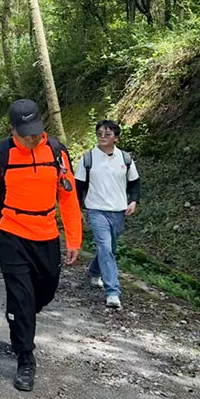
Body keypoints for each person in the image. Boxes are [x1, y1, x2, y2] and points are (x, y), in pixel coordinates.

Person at [0, 99, 81, 392]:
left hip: (46, 233)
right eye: (26, 133)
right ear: (12, 130)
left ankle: (21, 314)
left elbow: (68, 197)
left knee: (45, 290)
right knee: (21, 298)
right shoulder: (0, 155)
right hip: (12, 233)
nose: (33, 138)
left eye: (36, 131)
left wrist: (74, 238)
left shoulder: (56, 152)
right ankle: (25, 357)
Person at [75, 120, 140, 309]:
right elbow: (78, 187)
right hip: (96, 209)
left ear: (116, 138)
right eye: (99, 133)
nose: (102, 137)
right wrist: (77, 209)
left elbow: (134, 183)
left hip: (118, 210)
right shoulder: (88, 159)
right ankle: (113, 292)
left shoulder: (125, 159)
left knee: (110, 247)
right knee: (104, 246)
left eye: (107, 134)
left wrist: (133, 201)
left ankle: (94, 270)